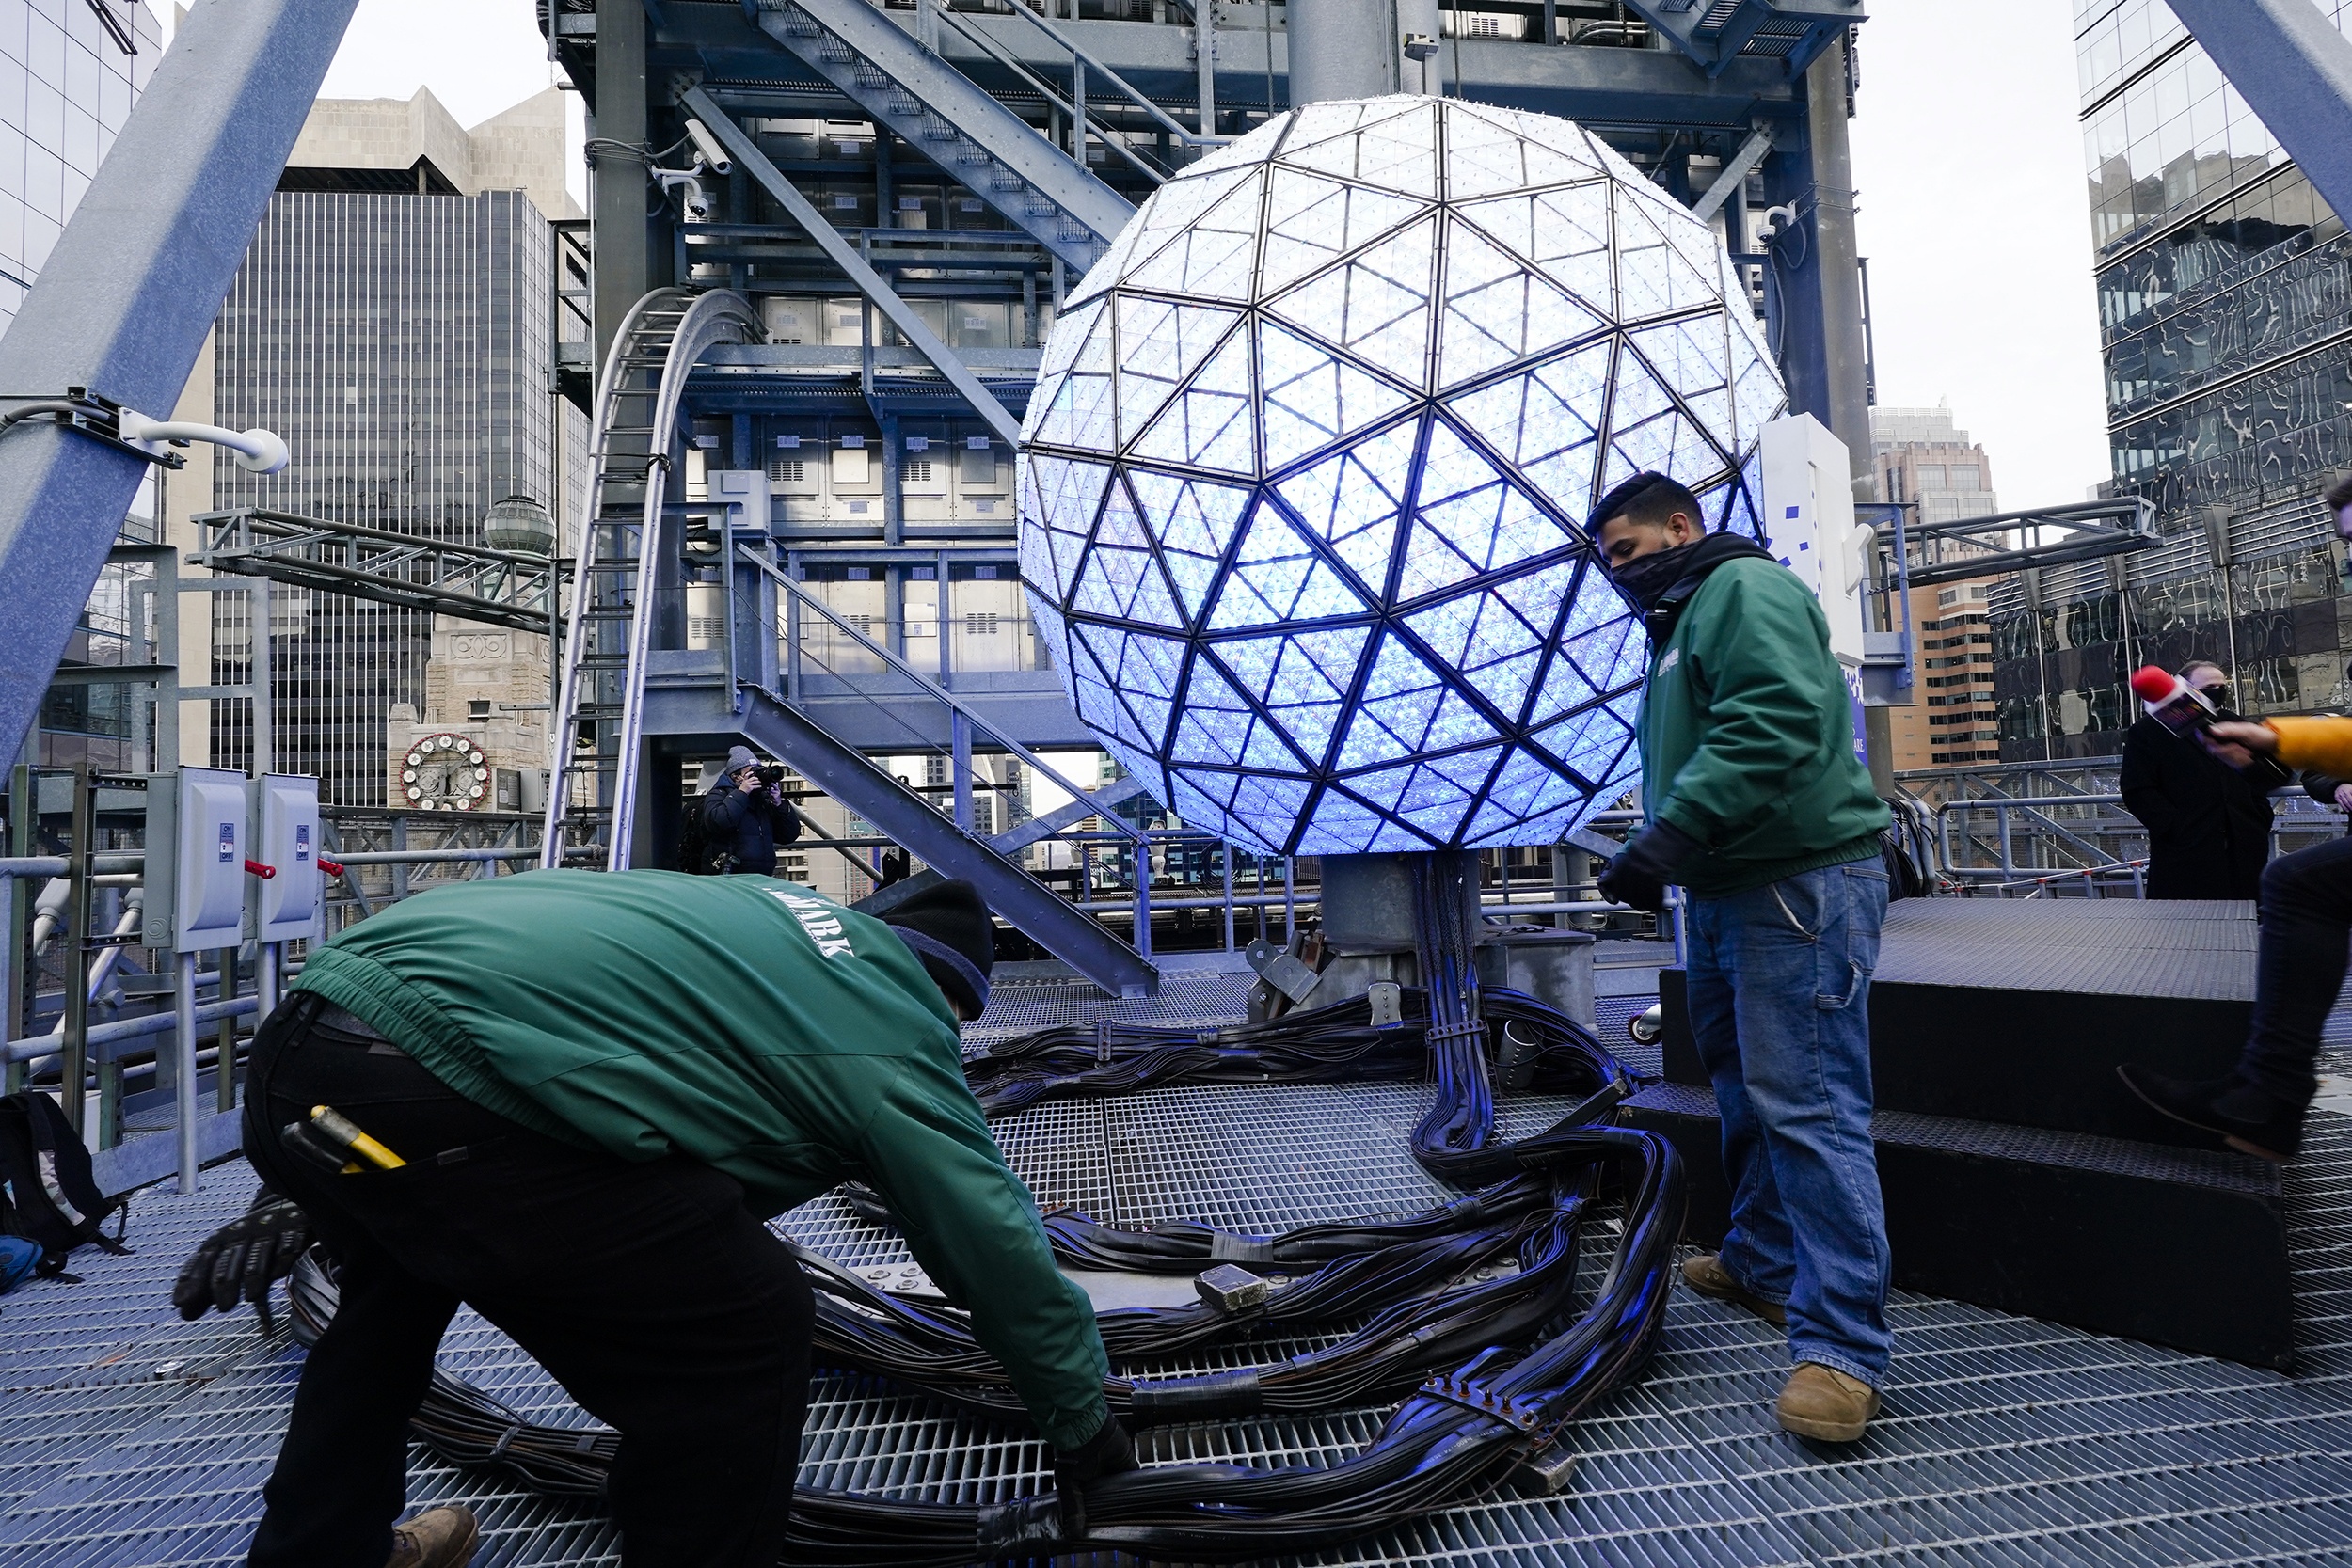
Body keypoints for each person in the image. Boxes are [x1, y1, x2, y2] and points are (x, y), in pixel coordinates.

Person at [179, 874, 1131, 1568]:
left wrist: (302, 1182)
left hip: (311, 1055)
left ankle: (321, 1553)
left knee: (392, 1290)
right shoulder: (890, 1011)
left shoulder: (748, 918)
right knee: (746, 1329)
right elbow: (989, 1237)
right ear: (946, 990)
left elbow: (533, 1011)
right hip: (441, 1098)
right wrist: (1082, 1419)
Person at [1589, 470, 1895, 1444]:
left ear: (1681, 525)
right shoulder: (1683, 621)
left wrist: (1672, 831)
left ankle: (1842, 1349)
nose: (1620, 575)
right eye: (1609, 563)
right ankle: (1763, 1259)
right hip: (1731, 889)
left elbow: (1774, 720)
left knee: (1806, 1103)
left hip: (1793, 886)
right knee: (1743, 1085)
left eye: (1629, 552)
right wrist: (1676, 845)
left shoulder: (1742, 591)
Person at [2121, 712, 2352, 1163]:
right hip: (2191, 850)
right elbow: (2141, 789)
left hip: (2238, 844)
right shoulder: (2151, 737)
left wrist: (2276, 741)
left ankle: (2268, 1093)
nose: (2213, 697)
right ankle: (2266, 1093)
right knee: (2297, 884)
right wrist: (2277, 738)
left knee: (2299, 884)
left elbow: (2274, 776)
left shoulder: (2225, 722)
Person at [2118, 661, 2289, 899]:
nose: (2218, 691)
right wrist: (2174, 828)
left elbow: (2260, 776)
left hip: (2243, 844)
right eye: (2210, 686)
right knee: (2188, 924)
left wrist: (2259, 817)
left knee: (2246, 921)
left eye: (2222, 685)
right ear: (2185, 689)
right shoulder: (2148, 731)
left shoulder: (2237, 724)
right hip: (2186, 851)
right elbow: (2138, 788)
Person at [700, 744, 802, 876]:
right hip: (730, 875)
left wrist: (779, 804)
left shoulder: (763, 799)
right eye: (751, 773)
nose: (757, 777)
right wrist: (742, 792)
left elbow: (789, 835)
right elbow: (719, 822)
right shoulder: (718, 794)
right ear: (736, 777)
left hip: (762, 875)